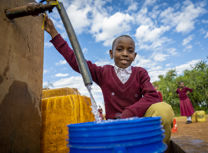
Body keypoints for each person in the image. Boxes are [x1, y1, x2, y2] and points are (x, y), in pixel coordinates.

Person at [44, 17, 174, 144]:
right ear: (111, 53)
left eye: (130, 51)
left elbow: (152, 96)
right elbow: (76, 61)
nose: (124, 53)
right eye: (119, 49)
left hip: (137, 126)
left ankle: (155, 148)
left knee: (164, 109)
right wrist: (54, 34)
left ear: (134, 56)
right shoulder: (103, 73)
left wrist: (129, 113)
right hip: (115, 128)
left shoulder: (140, 73)